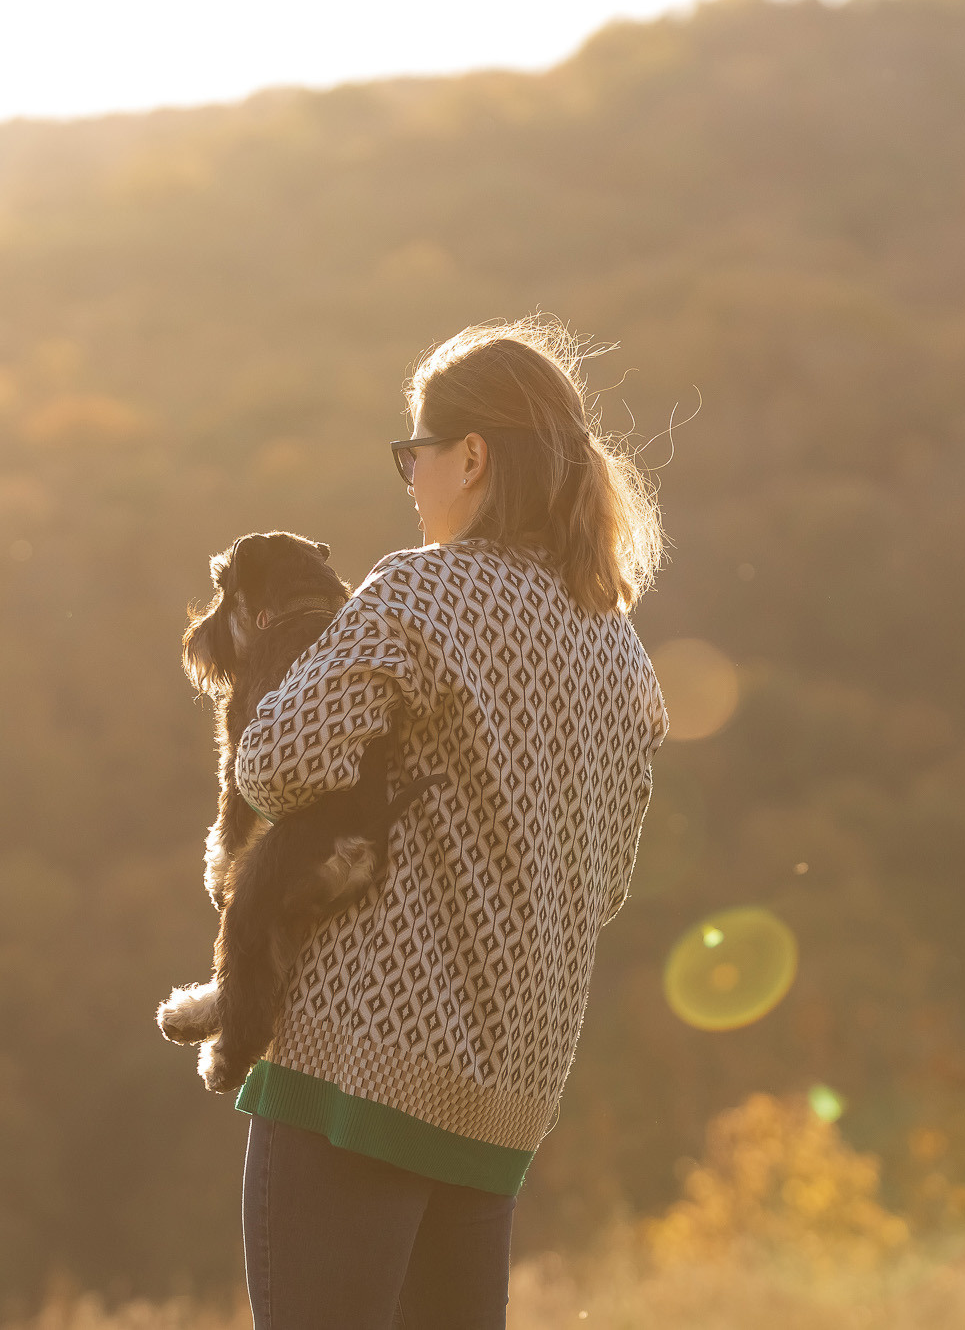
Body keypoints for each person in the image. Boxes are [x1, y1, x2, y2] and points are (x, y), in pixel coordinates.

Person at [228, 314, 670, 1328]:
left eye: (413, 455)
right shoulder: (619, 652)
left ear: (470, 456)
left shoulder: (422, 593)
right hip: (500, 1104)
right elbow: (601, 884)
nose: (411, 481)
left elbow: (270, 763)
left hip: (360, 1072)